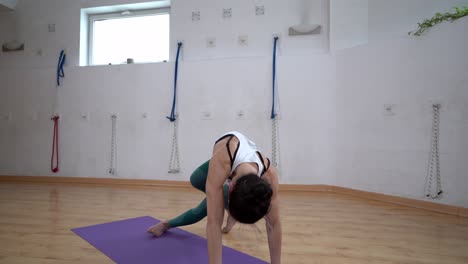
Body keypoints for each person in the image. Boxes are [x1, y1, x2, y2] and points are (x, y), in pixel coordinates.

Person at [147, 131, 282, 264]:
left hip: (238, 170)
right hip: (227, 155)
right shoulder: (222, 161)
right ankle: (231, 213)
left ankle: (166, 224)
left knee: (203, 209)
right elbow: (213, 224)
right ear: (230, 187)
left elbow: (274, 224)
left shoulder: (269, 177)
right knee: (196, 180)